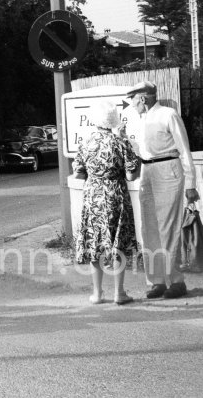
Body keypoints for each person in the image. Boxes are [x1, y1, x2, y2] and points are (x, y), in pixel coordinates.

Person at [127, 81, 200, 299]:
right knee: (149, 228)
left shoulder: (168, 115)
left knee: (169, 227)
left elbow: (184, 151)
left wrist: (190, 185)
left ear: (143, 98)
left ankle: (175, 281)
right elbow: (141, 151)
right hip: (147, 172)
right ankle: (156, 280)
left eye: (133, 99)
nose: (131, 104)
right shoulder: (139, 121)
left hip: (169, 169)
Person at [73, 99, 139, 305]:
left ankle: (97, 293)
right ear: (113, 119)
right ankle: (119, 293)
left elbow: (78, 173)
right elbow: (130, 176)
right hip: (117, 195)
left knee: (95, 242)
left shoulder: (85, 143)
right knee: (118, 242)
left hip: (93, 197)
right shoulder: (121, 143)